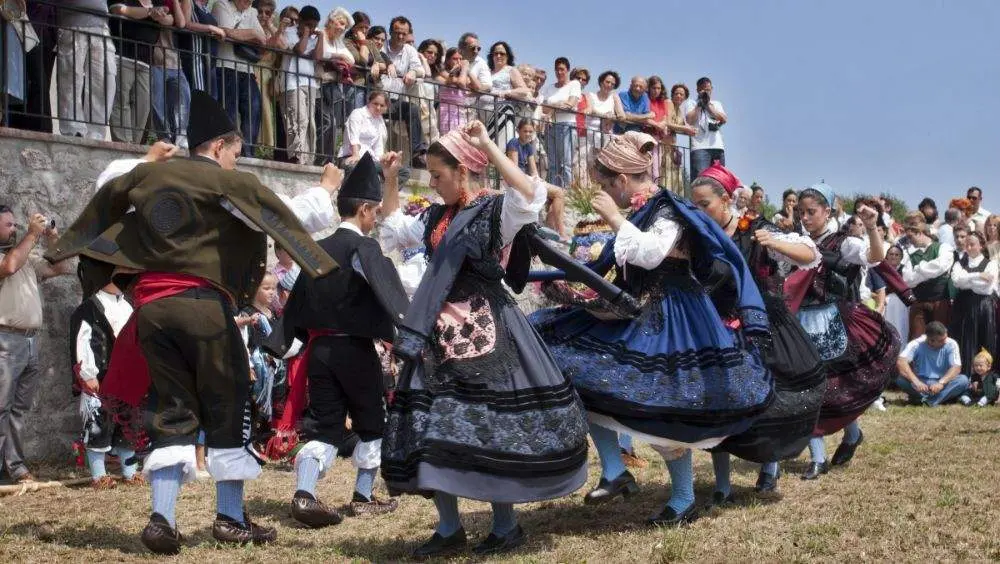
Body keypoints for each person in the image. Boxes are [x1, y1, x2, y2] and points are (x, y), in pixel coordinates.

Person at [46, 92, 341, 555]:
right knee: (226, 405)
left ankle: (162, 520)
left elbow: (105, 195)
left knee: (170, 407)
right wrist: (323, 210)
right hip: (204, 306)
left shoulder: (147, 173)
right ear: (221, 145)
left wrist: (64, 246)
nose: (237, 159)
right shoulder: (230, 183)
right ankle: (228, 519)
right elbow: (289, 216)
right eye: (238, 150)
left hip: (152, 312)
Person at [532, 133, 772, 525]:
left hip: (674, 315)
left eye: (610, 185)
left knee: (663, 407)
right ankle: (614, 469)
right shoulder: (646, 210)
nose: (609, 192)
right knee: (578, 376)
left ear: (623, 180)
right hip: (638, 309)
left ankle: (682, 498)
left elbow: (651, 253)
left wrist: (614, 217)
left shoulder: (667, 210)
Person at [378, 123, 589, 557]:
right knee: (433, 426)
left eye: (438, 175)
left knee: (493, 426)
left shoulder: (495, 211)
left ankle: (506, 526)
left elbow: (532, 193)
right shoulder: (436, 215)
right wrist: (390, 180)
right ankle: (450, 527)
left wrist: (489, 145)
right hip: (437, 331)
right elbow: (395, 226)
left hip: (487, 326)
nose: (433, 184)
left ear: (464, 171)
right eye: (431, 176)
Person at [282, 153, 409, 527]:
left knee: (325, 425)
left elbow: (297, 302)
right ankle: (364, 497)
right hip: (354, 350)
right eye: (376, 212)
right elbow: (388, 291)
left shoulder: (315, 249)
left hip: (319, 350)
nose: (377, 219)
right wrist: (404, 330)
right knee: (372, 422)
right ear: (367, 210)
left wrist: (288, 340)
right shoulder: (364, 249)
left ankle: (305, 495)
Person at [689, 163, 826, 498]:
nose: (699, 211)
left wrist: (775, 242)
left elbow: (811, 254)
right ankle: (721, 485)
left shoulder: (756, 228)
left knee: (769, 397)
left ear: (725, 201)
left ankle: (769, 469)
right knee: (718, 401)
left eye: (704, 204)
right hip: (717, 325)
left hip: (760, 324)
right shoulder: (697, 235)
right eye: (695, 205)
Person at [788, 183, 899, 480]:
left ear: (827, 211)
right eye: (802, 212)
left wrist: (873, 226)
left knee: (833, 388)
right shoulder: (796, 241)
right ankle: (828, 451)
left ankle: (844, 440)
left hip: (835, 321)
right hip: (802, 320)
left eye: (812, 212)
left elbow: (875, 257)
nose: (806, 217)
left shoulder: (844, 243)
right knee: (811, 387)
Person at [0, 207, 74, 484]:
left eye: (15, 224)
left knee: (18, 409)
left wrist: (52, 239)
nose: (14, 227)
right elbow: (8, 267)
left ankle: (15, 468)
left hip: (29, 340)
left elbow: (60, 266)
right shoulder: (12, 258)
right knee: (1, 407)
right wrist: (32, 234)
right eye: (8, 224)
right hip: (5, 339)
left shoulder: (26, 259)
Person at [72, 276, 143, 490]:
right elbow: (82, 342)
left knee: (128, 426)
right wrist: (88, 374)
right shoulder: (88, 308)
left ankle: (130, 471)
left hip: (125, 378)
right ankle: (99, 475)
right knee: (98, 426)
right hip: (100, 378)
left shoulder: (128, 306)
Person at [213, 0, 266, 158]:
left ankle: (248, 152)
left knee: (254, 110)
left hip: (247, 70)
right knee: (229, 112)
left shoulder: (252, 12)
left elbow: (263, 39)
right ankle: (227, 151)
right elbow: (226, 33)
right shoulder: (221, 5)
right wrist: (253, 34)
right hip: (225, 66)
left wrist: (244, 34)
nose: (249, 1)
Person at [57, 1, 116, 140]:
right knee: (70, 80)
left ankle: (95, 133)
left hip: (101, 27)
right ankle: (73, 130)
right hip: (73, 24)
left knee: (105, 82)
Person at [108, 1, 161, 144]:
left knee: (143, 105)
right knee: (120, 101)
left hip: (146, 60)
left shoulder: (156, 2)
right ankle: (123, 142)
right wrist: (150, 13)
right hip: (123, 55)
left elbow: (170, 20)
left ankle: (134, 143)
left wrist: (160, 14)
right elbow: (117, 9)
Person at [381, 16, 427, 168]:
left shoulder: (410, 50)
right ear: (390, 32)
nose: (400, 36)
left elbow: (421, 70)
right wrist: (385, 65)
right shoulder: (381, 45)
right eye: (397, 32)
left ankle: (417, 154)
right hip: (376, 99)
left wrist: (413, 72)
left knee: (412, 109)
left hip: (393, 102)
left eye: (404, 33)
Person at [900, 212, 954, 341]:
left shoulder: (943, 247)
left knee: (940, 339)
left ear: (919, 232)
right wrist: (928, 272)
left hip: (940, 302)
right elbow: (907, 280)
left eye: (911, 237)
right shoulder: (909, 255)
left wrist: (919, 268)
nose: (909, 241)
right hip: (919, 302)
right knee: (916, 340)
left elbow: (941, 266)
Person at [276, 5, 319, 165]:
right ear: (300, 21)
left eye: (314, 25)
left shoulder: (314, 38)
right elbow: (299, 50)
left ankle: (308, 158)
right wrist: (306, 34)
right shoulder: (290, 32)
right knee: (295, 120)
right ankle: (296, 156)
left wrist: (319, 37)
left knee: (309, 122)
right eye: (308, 24)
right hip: (292, 83)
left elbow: (318, 56)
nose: (312, 28)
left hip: (310, 83)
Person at [949, 231, 997, 374]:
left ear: (981, 245)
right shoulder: (959, 263)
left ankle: (985, 381)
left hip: (983, 307)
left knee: (984, 340)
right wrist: (978, 275)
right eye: (967, 245)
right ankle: (966, 378)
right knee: (965, 342)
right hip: (963, 307)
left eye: (972, 244)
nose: (968, 247)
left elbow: (987, 288)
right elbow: (956, 281)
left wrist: (967, 279)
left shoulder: (991, 264)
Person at [313, 7, 354, 165]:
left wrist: (339, 56)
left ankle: (328, 159)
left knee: (333, 123)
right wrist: (337, 56)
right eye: (340, 23)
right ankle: (321, 159)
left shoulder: (338, 41)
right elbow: (319, 54)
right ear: (331, 20)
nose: (342, 28)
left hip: (333, 87)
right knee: (326, 122)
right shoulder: (320, 33)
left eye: (345, 26)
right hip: (319, 84)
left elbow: (351, 60)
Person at [895, 322, 970, 406]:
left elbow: (956, 367)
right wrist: (916, 382)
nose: (945, 341)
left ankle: (925, 400)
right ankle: (935, 399)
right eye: (942, 340)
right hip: (921, 383)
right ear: (930, 340)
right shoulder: (916, 344)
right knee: (899, 377)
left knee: (963, 380)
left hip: (942, 383)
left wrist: (941, 383)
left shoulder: (951, 343)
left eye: (945, 337)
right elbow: (901, 361)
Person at [149, 0, 190, 147]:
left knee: (183, 95)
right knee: (157, 102)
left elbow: (181, 23)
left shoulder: (175, 4)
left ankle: (180, 134)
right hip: (155, 59)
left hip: (174, 60)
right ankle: (164, 136)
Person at [541, 57, 581, 187]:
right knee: (552, 163)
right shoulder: (549, 88)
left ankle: (566, 193)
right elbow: (543, 108)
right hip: (551, 126)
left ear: (567, 70)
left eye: (562, 69)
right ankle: (552, 190)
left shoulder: (574, 84)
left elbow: (570, 104)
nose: (559, 72)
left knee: (566, 163)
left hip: (567, 125)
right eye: (557, 69)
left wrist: (553, 108)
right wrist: (559, 105)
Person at [486, 40, 532, 147]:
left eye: (502, 53)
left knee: (502, 147)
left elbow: (524, 91)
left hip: (503, 114)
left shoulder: (510, 70)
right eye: (495, 53)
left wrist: (506, 92)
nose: (498, 56)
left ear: (508, 56)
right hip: (485, 115)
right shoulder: (488, 72)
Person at [178, 0, 223, 98]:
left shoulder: (205, 7)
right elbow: (186, 23)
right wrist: (210, 28)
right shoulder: (189, 2)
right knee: (200, 98)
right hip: (196, 58)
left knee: (211, 101)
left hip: (209, 62)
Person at [686, 77, 727, 178]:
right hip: (699, 147)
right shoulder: (691, 103)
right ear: (697, 90)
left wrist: (708, 105)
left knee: (719, 180)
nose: (706, 92)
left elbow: (724, 119)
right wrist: (700, 104)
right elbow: (690, 120)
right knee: (700, 179)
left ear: (712, 89)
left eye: (708, 90)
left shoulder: (716, 104)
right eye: (703, 90)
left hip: (717, 146)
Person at [338, 90, 389, 166]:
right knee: (356, 166)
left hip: (370, 160)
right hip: (351, 156)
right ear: (369, 102)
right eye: (375, 104)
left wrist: (383, 160)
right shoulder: (358, 113)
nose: (378, 108)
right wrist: (356, 155)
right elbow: (353, 138)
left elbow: (378, 147)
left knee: (402, 172)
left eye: (382, 105)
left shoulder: (380, 121)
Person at [661, 83, 695, 194]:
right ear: (672, 95)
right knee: (665, 179)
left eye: (682, 94)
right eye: (676, 93)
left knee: (675, 181)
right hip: (664, 146)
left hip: (673, 148)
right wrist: (686, 128)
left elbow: (679, 128)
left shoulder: (679, 110)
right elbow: (668, 123)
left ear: (685, 97)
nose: (679, 96)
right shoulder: (669, 103)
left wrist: (690, 130)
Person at [437, 47, 470, 135]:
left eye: (460, 59)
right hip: (446, 110)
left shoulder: (463, 75)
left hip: (460, 111)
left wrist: (466, 70)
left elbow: (475, 85)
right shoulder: (442, 72)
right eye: (455, 59)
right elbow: (461, 83)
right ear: (448, 60)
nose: (458, 62)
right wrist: (457, 71)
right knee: (448, 138)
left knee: (461, 138)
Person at [883, 245, 910, 343]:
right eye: (891, 254)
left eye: (897, 254)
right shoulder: (881, 269)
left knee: (902, 327)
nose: (893, 256)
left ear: (901, 257)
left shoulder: (905, 270)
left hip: (902, 304)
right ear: (886, 256)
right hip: (885, 302)